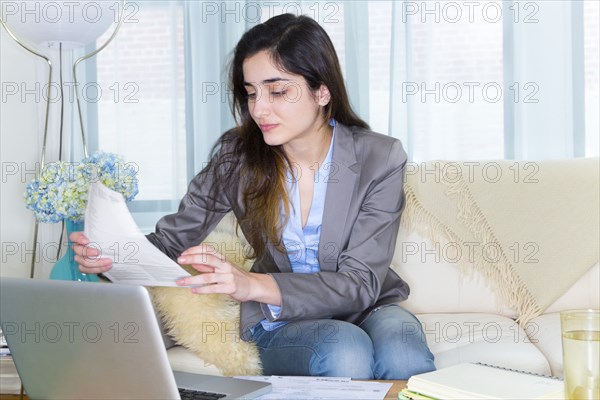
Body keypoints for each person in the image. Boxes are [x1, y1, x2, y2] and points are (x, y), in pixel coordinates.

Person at [72, 13, 435, 379]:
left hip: (367, 306)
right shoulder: (238, 156)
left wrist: (251, 284)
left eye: (277, 91)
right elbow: (170, 240)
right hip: (279, 316)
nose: (259, 109)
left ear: (322, 91)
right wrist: (112, 257)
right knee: (344, 351)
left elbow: (360, 283)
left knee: (404, 354)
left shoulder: (379, 157)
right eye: (251, 93)